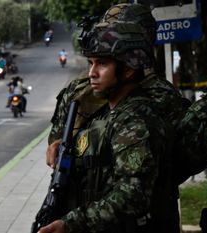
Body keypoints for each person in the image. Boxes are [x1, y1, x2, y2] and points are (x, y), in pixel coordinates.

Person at [47, 5, 184, 232]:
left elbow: (136, 191)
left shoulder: (144, 107)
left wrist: (73, 224)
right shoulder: (81, 94)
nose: (92, 73)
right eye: (92, 63)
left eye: (101, 63)